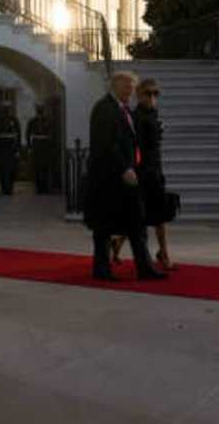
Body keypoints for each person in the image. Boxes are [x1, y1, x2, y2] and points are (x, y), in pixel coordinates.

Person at [83, 71, 166, 281]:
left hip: (126, 179)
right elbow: (106, 144)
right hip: (108, 180)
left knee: (137, 223)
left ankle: (144, 268)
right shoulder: (104, 108)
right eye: (127, 87)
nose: (131, 91)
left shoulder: (124, 109)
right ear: (115, 86)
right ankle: (102, 270)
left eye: (132, 87)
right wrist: (124, 168)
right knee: (103, 227)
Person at [112, 79, 176, 270]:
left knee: (154, 215)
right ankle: (162, 254)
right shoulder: (137, 116)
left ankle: (161, 253)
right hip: (144, 173)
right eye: (148, 93)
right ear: (139, 95)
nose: (152, 98)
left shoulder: (152, 114)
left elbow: (154, 144)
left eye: (156, 94)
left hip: (155, 170)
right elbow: (135, 147)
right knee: (146, 216)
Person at [0, 102, 21, 196]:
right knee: (3, 170)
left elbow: (18, 135)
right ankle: (5, 189)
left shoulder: (14, 120)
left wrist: (17, 149)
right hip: (1, 148)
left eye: (7, 108)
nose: (6, 110)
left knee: (11, 170)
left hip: (11, 148)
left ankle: (9, 188)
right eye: (4, 109)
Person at [26, 104, 54, 194]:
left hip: (45, 147)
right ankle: (39, 188)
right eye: (38, 109)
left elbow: (51, 134)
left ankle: (45, 188)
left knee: (45, 168)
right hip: (37, 146)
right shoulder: (32, 121)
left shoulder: (48, 121)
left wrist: (51, 145)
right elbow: (28, 133)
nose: (40, 111)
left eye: (41, 109)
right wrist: (29, 146)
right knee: (37, 168)